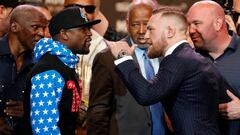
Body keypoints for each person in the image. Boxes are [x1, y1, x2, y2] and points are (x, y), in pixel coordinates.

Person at [108, 7, 231, 135]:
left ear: (170, 32)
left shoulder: (178, 59)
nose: (146, 35)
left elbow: (146, 94)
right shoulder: (195, 58)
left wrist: (123, 57)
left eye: (151, 29)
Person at [87, 3, 167, 135]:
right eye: (135, 24)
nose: (141, 30)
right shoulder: (108, 58)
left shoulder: (167, 55)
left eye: (147, 25)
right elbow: (98, 110)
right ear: (127, 23)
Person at [23, 7, 101, 135]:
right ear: (64, 34)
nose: (90, 33)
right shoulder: (48, 71)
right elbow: (45, 130)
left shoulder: (64, 65)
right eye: (83, 29)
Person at [187, 1, 240, 134]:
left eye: (196, 23)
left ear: (218, 23)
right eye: (189, 25)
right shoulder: (187, 59)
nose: (191, 30)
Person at [0, 4, 47, 135]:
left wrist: (31, 111)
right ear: (14, 27)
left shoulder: (41, 65)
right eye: (35, 27)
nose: (42, 34)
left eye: (43, 28)